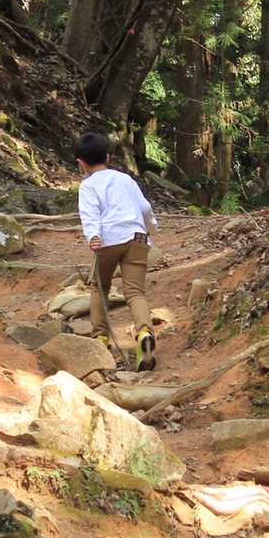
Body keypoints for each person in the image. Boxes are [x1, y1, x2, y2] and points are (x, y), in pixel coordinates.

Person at [76, 132, 158, 371]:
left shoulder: (88, 186)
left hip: (108, 240)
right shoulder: (125, 180)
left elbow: (89, 213)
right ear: (108, 157)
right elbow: (145, 207)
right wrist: (152, 228)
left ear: (81, 163)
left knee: (99, 287)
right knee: (135, 292)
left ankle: (100, 337)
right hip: (137, 237)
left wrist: (93, 235)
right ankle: (144, 332)